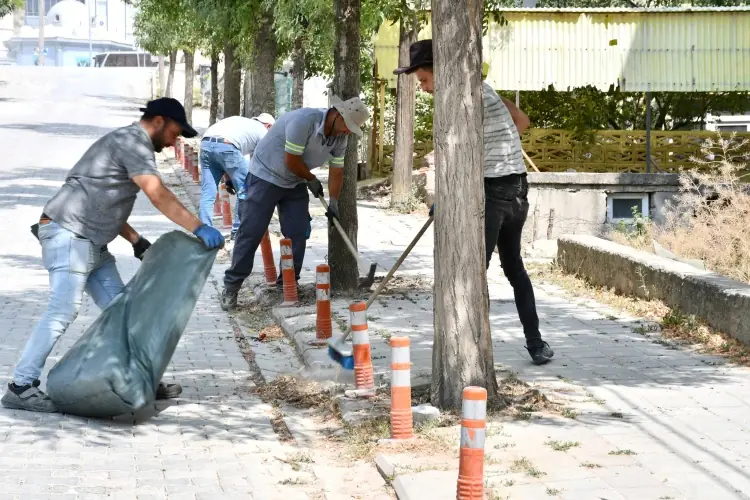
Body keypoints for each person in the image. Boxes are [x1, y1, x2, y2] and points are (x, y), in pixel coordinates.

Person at [1, 97, 225, 413]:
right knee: (63, 309)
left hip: (90, 241)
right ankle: (21, 386)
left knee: (123, 309)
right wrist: (199, 227)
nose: (176, 140)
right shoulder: (133, 142)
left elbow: (103, 201)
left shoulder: (128, 143)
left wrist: (136, 240)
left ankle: (140, 377)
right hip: (68, 234)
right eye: (176, 132)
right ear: (159, 121)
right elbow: (157, 194)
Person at [394, 40, 554, 365]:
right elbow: (520, 121)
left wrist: (445, 199)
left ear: (440, 71)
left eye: (424, 80)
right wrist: (496, 147)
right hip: (518, 186)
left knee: (472, 273)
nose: (423, 89)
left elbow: (458, 156)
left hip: (494, 191)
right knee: (513, 267)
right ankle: (536, 345)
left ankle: (469, 355)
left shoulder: (458, 99)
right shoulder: (482, 87)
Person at [220, 96, 370, 311]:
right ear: (337, 115)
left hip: (294, 181)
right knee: (251, 231)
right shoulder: (304, 121)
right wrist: (311, 178)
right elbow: (291, 160)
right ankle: (231, 286)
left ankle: (288, 284)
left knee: (298, 232)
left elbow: (337, 171)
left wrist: (334, 201)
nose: (348, 132)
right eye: (348, 126)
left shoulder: (340, 138)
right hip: (265, 175)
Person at [199, 113, 276, 239]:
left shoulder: (243, 124)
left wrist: (228, 180)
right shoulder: (263, 132)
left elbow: (229, 160)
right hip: (227, 146)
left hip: (206, 144)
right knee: (245, 190)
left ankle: (204, 231)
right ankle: (238, 230)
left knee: (208, 193)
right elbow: (259, 163)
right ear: (268, 126)